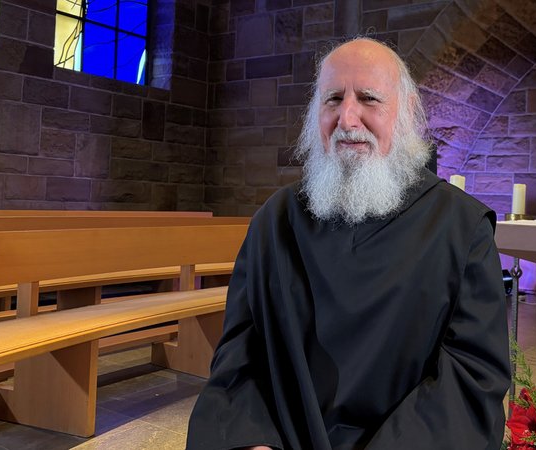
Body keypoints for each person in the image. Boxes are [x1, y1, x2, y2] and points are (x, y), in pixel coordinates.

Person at [186, 37, 510, 450]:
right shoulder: (275, 220)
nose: (347, 118)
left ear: (406, 113)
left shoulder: (462, 228)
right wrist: (252, 442)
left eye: (369, 98)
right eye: (333, 99)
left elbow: (471, 376)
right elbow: (239, 355)